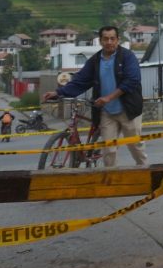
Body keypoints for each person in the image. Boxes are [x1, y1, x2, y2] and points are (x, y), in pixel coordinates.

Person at [42, 26, 147, 167]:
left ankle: (146, 173)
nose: (109, 42)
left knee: (135, 146)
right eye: (105, 39)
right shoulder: (95, 60)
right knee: (108, 150)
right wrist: (58, 93)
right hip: (106, 112)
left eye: (112, 38)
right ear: (100, 41)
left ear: (118, 40)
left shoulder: (128, 57)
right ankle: (110, 182)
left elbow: (132, 80)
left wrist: (109, 97)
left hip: (128, 110)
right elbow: (81, 81)